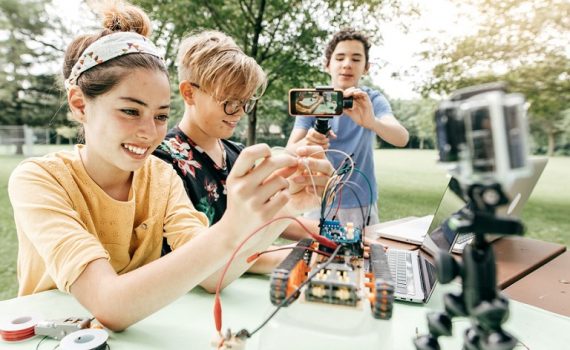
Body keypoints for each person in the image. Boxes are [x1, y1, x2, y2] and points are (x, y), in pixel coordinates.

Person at [8, 2, 332, 331]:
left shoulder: (160, 176)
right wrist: (233, 226)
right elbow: (110, 304)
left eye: (161, 115)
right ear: (79, 104)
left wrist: (278, 209)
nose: (150, 132)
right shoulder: (40, 179)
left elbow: (213, 273)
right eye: (131, 111)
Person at [153, 30, 321, 262]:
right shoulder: (162, 161)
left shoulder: (238, 153)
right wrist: (313, 257)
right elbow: (205, 258)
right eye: (230, 102)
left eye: (245, 102)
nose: (240, 112)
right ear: (189, 93)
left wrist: (340, 238)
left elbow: (273, 219)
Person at [287, 28, 409, 227]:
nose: (347, 64)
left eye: (356, 58)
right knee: (315, 254)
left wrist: (372, 122)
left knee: (364, 255)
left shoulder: (372, 100)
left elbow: (402, 138)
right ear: (327, 65)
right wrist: (308, 141)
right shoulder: (313, 101)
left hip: (361, 201)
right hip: (318, 197)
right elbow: (289, 150)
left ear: (366, 67)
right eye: (340, 57)